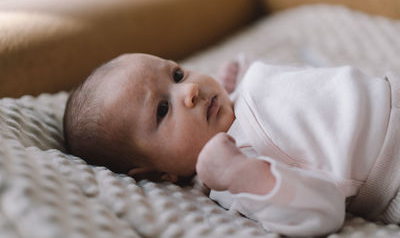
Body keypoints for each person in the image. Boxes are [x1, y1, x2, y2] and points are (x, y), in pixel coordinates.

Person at [63, 53, 400, 237]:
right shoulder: (232, 172)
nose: (190, 90)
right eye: (163, 109)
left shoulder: (235, 94)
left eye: (177, 74)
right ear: (155, 172)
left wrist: (236, 80)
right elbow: (322, 212)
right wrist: (243, 175)